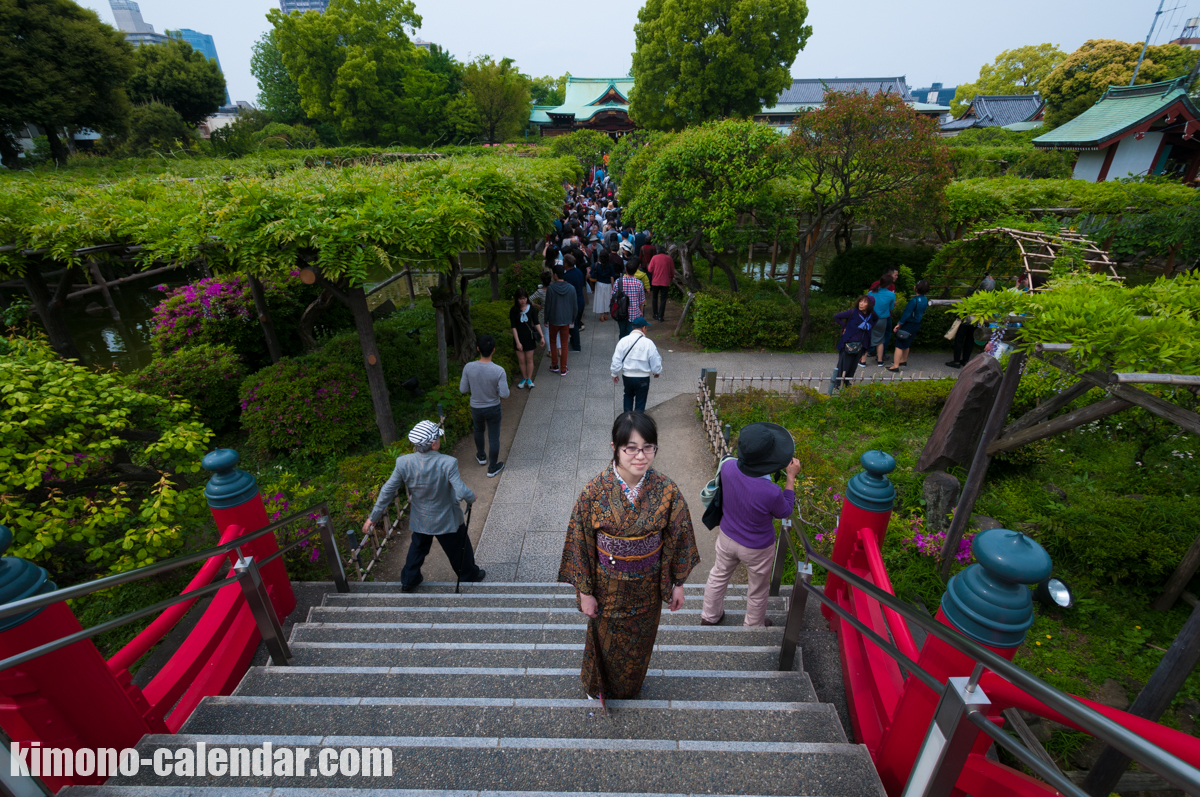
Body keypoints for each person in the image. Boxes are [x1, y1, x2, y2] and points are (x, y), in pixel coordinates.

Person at [557, 412, 700, 703]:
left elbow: (678, 535)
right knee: (604, 641)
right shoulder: (594, 493)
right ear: (615, 447)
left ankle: (629, 689)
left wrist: (678, 582)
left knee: (639, 645)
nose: (641, 455)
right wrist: (585, 592)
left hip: (648, 589)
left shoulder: (667, 490)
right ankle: (596, 687)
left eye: (648, 447)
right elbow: (579, 544)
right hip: (607, 589)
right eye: (631, 448)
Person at [365, 420, 485, 593]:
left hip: (422, 517)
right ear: (434, 443)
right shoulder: (448, 462)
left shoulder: (403, 462)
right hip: (447, 517)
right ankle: (469, 575)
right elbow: (461, 489)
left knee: (418, 549)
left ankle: (409, 580)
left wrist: (373, 517)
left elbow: (387, 490)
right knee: (459, 547)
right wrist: (470, 497)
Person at [700, 423, 801, 628]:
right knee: (757, 589)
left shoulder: (727, 466)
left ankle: (709, 616)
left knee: (718, 575)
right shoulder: (770, 491)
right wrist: (790, 478)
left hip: (727, 536)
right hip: (757, 548)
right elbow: (785, 511)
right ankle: (753, 625)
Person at [459, 334, 509, 478]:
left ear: (478, 349)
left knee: (478, 431)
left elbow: (463, 389)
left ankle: (481, 456)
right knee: (494, 438)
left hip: (476, 408)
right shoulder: (499, 370)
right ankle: (492, 467)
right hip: (493, 407)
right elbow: (505, 394)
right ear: (494, 350)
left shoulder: (469, 367)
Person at [611, 317, 663, 412]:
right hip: (643, 378)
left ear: (633, 327)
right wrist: (656, 371)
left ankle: (627, 419)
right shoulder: (649, 343)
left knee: (628, 395)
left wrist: (614, 373)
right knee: (641, 401)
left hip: (627, 376)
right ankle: (638, 423)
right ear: (643, 328)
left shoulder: (623, 341)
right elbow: (655, 360)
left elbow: (616, 359)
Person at [831, 296, 876, 393]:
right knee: (844, 363)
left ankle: (846, 382)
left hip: (862, 344)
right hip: (849, 343)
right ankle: (838, 382)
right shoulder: (853, 312)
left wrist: (869, 326)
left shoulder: (872, 315)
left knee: (854, 364)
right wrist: (845, 326)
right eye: (860, 301)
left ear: (870, 305)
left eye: (865, 302)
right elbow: (837, 317)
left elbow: (876, 319)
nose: (861, 304)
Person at [888, 280, 930, 372]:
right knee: (907, 342)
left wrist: (899, 324)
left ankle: (895, 365)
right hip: (917, 324)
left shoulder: (914, 301)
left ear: (916, 288)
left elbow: (906, 314)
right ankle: (903, 360)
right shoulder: (925, 299)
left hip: (909, 324)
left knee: (899, 344)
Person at [544, 265, 577, 376]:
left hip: (554, 319)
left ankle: (554, 365)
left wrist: (546, 319)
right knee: (564, 344)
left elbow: (547, 306)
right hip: (566, 320)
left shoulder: (551, 289)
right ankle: (564, 368)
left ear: (555, 275)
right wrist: (573, 318)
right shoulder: (571, 288)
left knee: (553, 342)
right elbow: (574, 306)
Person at [510, 288, 544, 389]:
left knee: (529, 359)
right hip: (518, 337)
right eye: (520, 299)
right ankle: (524, 378)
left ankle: (529, 378)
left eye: (524, 298)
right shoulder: (513, 310)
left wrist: (541, 336)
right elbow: (514, 327)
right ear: (517, 299)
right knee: (521, 360)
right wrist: (517, 342)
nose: (523, 300)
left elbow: (536, 323)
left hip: (529, 337)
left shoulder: (532, 309)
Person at [867, 275, 897, 366]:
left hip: (871, 318)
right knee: (880, 340)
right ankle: (880, 361)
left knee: (867, 338)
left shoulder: (871, 293)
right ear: (889, 284)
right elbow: (891, 307)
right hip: (882, 319)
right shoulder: (891, 295)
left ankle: (863, 360)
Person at [614, 262, 646, 338]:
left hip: (621, 312)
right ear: (636, 271)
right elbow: (642, 301)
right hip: (634, 313)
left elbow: (613, 296)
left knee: (622, 333)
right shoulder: (639, 283)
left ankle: (622, 348)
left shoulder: (618, 281)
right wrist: (641, 312)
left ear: (625, 269)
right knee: (632, 334)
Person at [562, 254, 587, 352]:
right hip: (581, 300)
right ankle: (573, 341)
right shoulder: (578, 271)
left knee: (573, 325)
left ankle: (576, 345)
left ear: (566, 264)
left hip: (574, 303)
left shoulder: (567, 276)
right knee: (576, 323)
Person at [647, 246, 674, 322]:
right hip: (665, 282)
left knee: (654, 298)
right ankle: (660, 316)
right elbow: (672, 272)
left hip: (655, 281)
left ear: (657, 251)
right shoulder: (669, 259)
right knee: (663, 299)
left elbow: (650, 269)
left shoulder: (654, 258)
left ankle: (655, 314)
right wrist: (670, 278)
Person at [591, 253, 614, 322]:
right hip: (608, 284)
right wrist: (613, 286)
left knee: (600, 300)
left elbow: (591, 274)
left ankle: (601, 316)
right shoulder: (610, 266)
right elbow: (612, 277)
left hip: (599, 284)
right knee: (607, 299)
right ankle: (606, 315)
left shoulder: (596, 265)